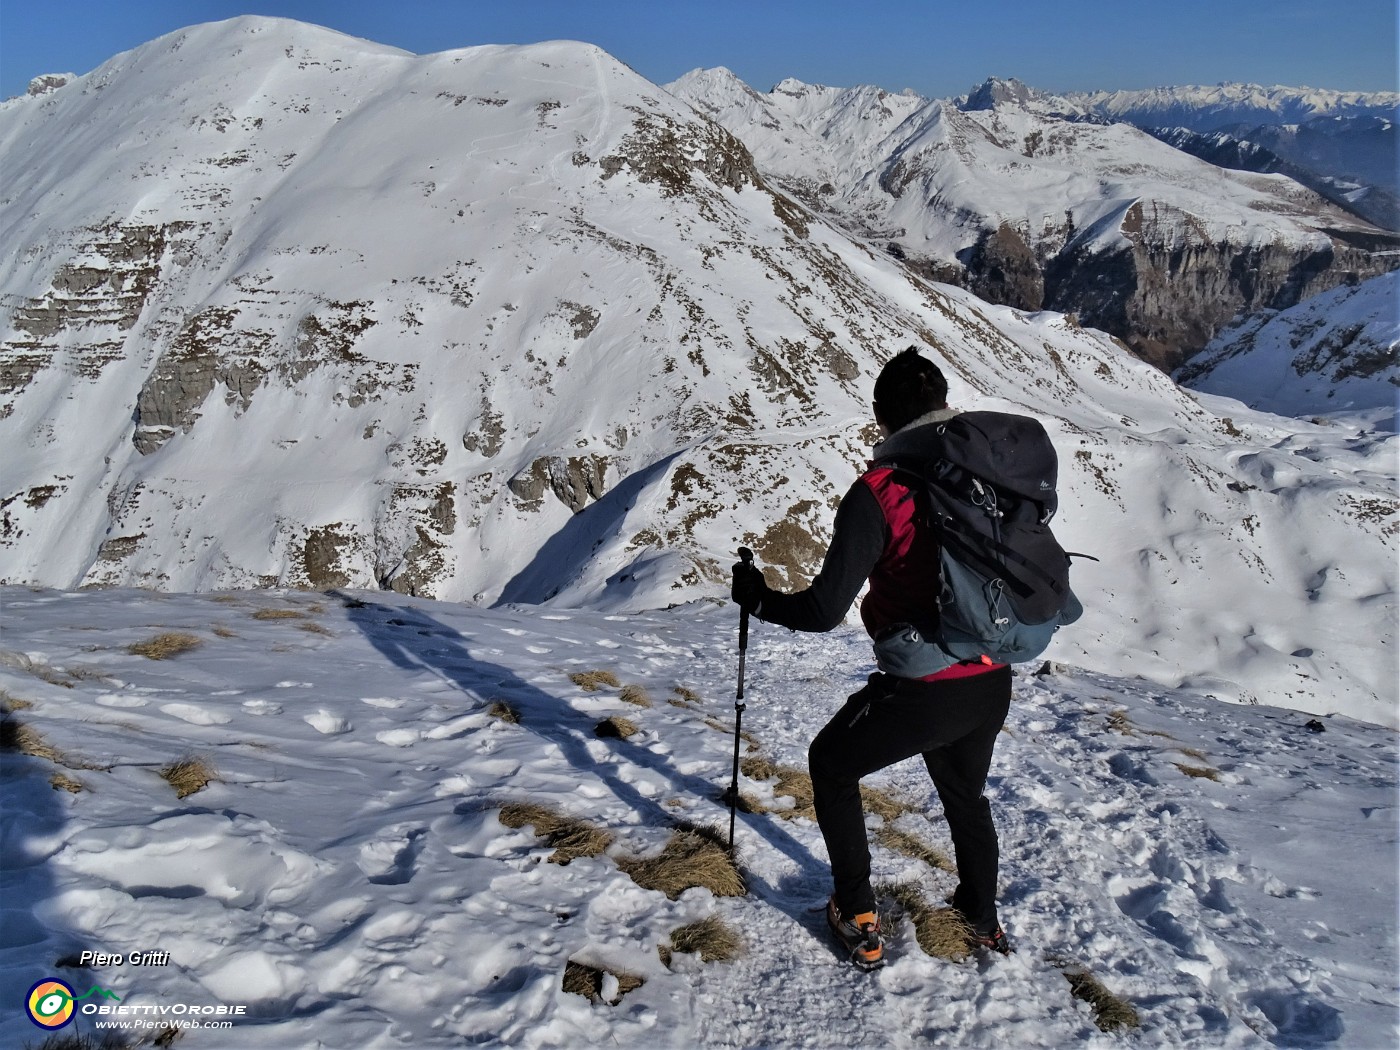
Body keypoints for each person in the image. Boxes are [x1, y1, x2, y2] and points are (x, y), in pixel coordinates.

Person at [731, 346, 1014, 968]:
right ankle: (982, 918)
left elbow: (822, 611)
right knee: (964, 794)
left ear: (882, 418)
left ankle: (858, 913)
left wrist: (759, 600)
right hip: (992, 678)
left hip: (924, 687)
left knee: (831, 762)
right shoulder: (990, 479)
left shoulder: (879, 491)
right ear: (943, 407)